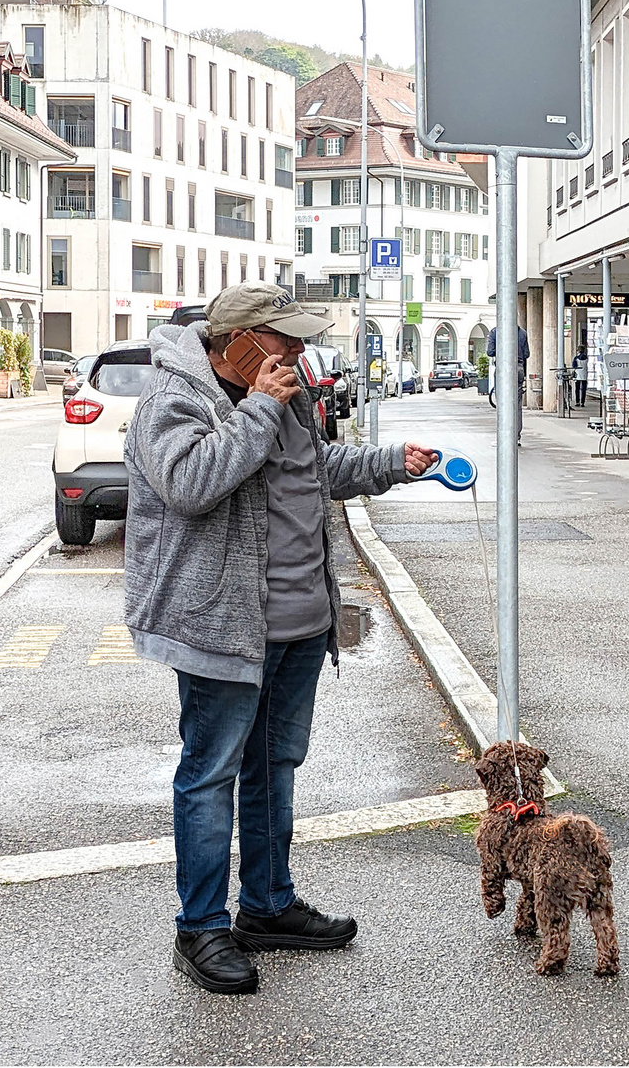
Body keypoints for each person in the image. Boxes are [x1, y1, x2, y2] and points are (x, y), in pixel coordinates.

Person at [124, 283, 438, 996]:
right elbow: (192, 483)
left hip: (299, 620)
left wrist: (393, 461)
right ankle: (200, 927)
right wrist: (261, 408)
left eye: (300, 340)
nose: (298, 351)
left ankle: (266, 907)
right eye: (283, 339)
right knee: (211, 775)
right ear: (235, 341)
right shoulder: (174, 401)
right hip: (222, 625)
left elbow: (316, 470)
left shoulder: (287, 395)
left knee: (276, 767)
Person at [571, 343, 590, 408]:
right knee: (583, 389)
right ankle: (582, 402)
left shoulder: (576, 358)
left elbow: (574, 366)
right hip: (584, 375)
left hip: (578, 375)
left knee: (577, 389)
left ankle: (577, 401)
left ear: (578, 350)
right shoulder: (586, 358)